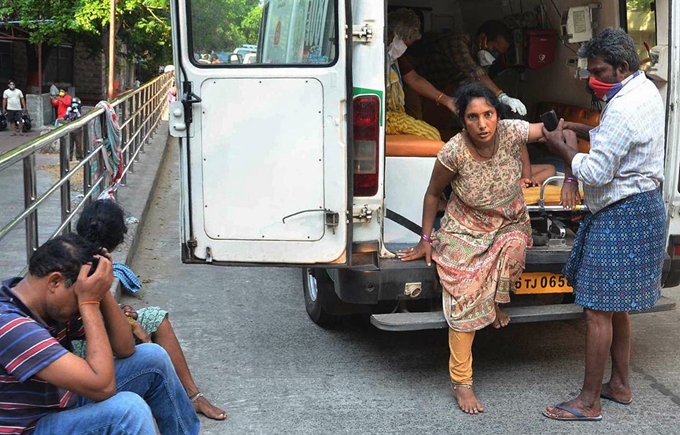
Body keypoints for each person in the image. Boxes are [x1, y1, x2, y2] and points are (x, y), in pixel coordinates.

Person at [541, 28, 666, 422]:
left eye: (598, 71)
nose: (592, 78)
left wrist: (563, 149)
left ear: (622, 66)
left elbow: (595, 170)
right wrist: (580, 130)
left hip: (622, 214)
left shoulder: (625, 107)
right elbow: (617, 141)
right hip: (642, 209)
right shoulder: (642, 89)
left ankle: (588, 401)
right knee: (617, 308)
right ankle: (621, 385)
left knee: (597, 311)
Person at [399, 82, 547, 414]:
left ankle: (493, 302)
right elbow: (432, 194)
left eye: (488, 115)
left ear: (497, 115)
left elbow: (542, 129)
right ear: (463, 121)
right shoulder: (454, 151)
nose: (482, 124)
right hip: (464, 228)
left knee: (514, 249)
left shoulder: (511, 133)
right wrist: (425, 240)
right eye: (473, 117)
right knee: (464, 295)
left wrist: (561, 129)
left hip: (508, 223)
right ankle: (462, 383)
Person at [0, 234, 200, 434]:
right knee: (128, 410)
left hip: (58, 405)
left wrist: (102, 289)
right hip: (30, 428)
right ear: (54, 282)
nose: (79, 305)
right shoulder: (11, 325)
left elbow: (125, 348)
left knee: (153, 357)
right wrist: (88, 302)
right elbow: (103, 387)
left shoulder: (46, 306)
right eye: (78, 295)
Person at [75, 198, 228, 420]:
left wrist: (123, 312)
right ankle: (175, 395)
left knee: (157, 318)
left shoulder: (88, 256)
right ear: (118, 240)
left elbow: (99, 306)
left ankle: (193, 395)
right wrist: (129, 324)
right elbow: (92, 318)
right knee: (149, 351)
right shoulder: (86, 265)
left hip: (93, 326)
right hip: (81, 346)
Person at [412, 20, 527, 116]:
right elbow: (475, 73)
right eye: (495, 49)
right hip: (413, 78)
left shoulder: (477, 58)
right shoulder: (458, 42)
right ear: (482, 39)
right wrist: (501, 96)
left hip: (434, 86)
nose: (495, 55)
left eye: (498, 54)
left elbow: (478, 84)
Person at [386, 8, 457, 141]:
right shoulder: (370, 58)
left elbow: (414, 79)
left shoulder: (396, 58)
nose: (405, 49)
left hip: (396, 115)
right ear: (391, 34)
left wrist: (447, 100)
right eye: (405, 44)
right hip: (385, 117)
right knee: (431, 135)